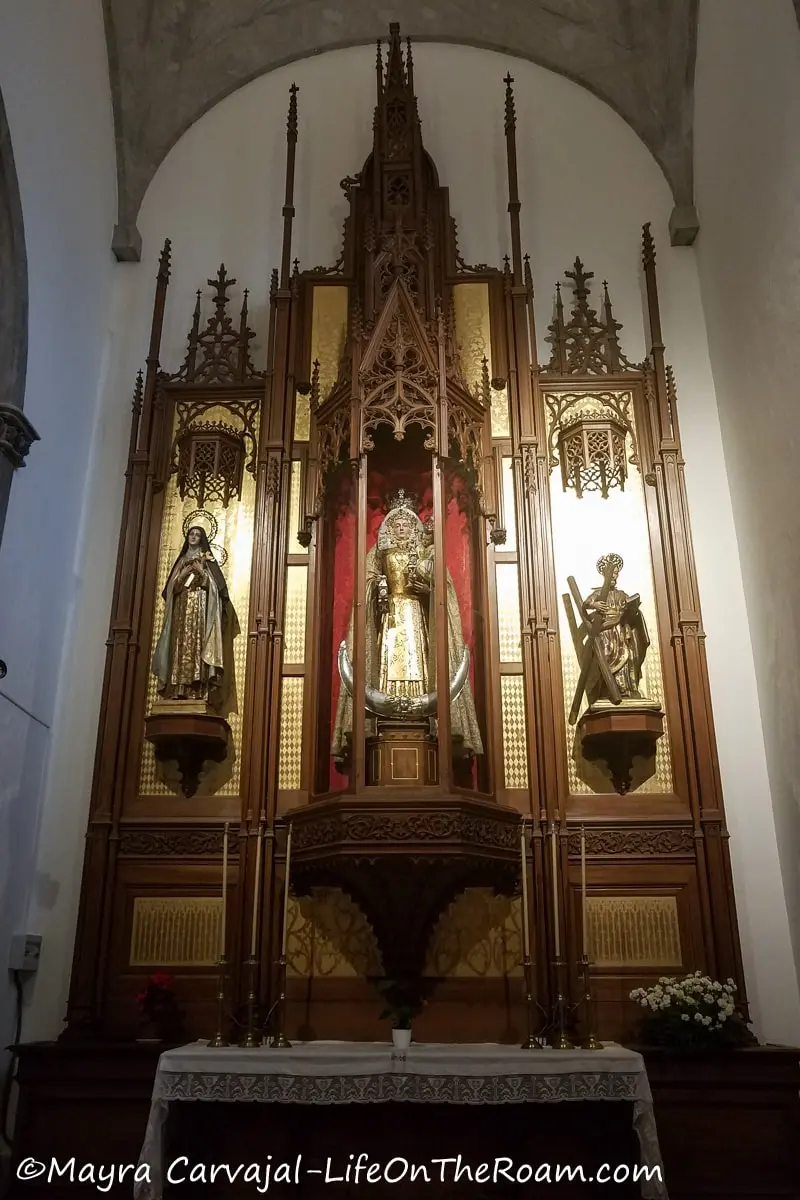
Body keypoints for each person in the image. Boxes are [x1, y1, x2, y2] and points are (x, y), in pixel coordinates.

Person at [331, 490, 482, 761]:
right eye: (396, 524)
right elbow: (366, 585)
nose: (401, 528)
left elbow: (442, 588)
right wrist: (377, 587)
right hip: (390, 617)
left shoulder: (425, 552)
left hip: (414, 615)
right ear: (389, 528)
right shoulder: (378, 554)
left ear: (413, 528)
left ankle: (421, 713)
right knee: (389, 657)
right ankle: (386, 709)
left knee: (417, 658)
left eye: (406, 525)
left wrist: (427, 585)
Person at [151, 525, 235, 711]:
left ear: (202, 539)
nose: (194, 537)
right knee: (180, 648)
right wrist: (181, 576)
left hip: (201, 612)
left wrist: (203, 572)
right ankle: (178, 689)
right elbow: (171, 590)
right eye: (191, 534)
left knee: (198, 646)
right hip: (181, 613)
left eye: (198, 535)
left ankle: (199, 691)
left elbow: (218, 589)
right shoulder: (181, 561)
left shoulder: (208, 561)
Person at [582, 552, 649, 703]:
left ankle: (627, 688)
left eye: (616, 574)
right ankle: (608, 689)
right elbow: (586, 603)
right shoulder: (599, 592)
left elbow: (630, 608)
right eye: (611, 574)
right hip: (606, 632)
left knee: (628, 657)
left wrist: (633, 610)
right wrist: (595, 604)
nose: (613, 577)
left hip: (621, 630)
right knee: (606, 655)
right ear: (604, 574)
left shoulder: (621, 594)